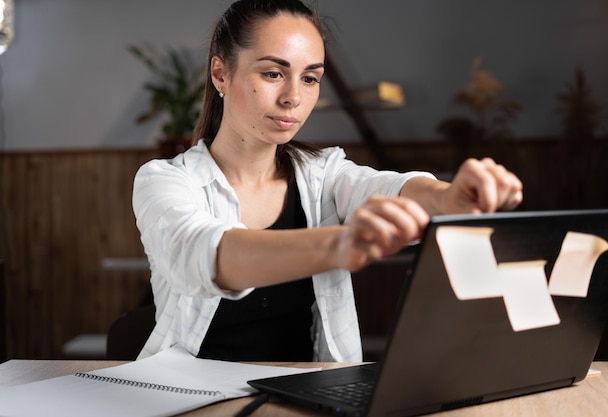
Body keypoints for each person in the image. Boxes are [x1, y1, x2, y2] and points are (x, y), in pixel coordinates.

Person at [132, 0, 523, 363]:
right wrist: (340, 244)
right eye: (272, 73)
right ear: (220, 73)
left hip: (302, 400)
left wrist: (449, 197)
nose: (293, 98)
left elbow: (389, 188)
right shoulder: (163, 181)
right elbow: (210, 253)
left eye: (310, 79)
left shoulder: (324, 174)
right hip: (190, 402)